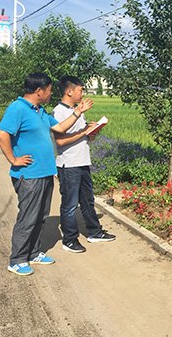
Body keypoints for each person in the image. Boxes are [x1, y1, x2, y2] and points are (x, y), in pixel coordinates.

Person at [0, 72, 93, 276]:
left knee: (41, 216)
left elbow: (60, 127)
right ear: (39, 91)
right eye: (49, 90)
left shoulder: (40, 111)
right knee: (28, 217)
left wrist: (78, 112)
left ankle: (33, 252)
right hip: (29, 174)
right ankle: (17, 259)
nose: (51, 94)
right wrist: (13, 159)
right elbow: (2, 133)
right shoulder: (18, 108)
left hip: (45, 172)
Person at [53, 76, 115, 254]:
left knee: (88, 200)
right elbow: (60, 141)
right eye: (80, 90)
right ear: (69, 91)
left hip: (82, 161)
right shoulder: (59, 112)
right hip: (69, 165)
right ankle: (69, 240)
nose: (82, 94)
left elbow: (84, 136)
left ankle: (94, 232)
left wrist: (92, 131)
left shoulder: (77, 111)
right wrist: (83, 131)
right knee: (70, 205)